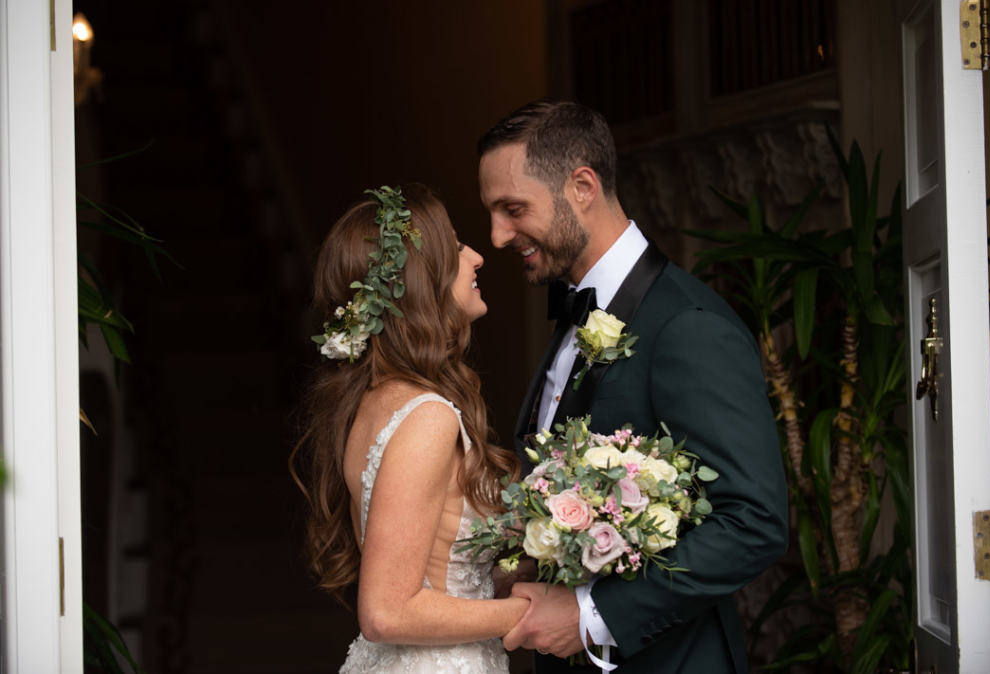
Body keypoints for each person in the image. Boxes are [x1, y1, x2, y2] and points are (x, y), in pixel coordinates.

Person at [478, 100, 789, 673]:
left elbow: (754, 522)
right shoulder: (574, 316)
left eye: (512, 209)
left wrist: (590, 615)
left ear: (582, 186)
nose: (497, 236)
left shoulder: (687, 326)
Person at [290, 184, 527, 673]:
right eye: (457, 248)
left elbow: (436, 562)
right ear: (421, 280)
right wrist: (528, 613)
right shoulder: (426, 417)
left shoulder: (378, 400)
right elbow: (387, 610)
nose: (477, 257)